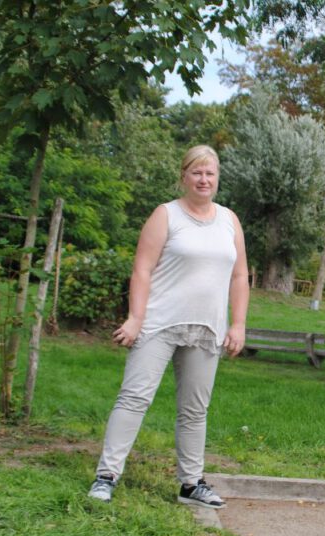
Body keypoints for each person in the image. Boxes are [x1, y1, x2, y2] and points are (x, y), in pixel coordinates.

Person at [87, 145, 249, 508]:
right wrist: (135, 318)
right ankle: (106, 476)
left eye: (210, 173)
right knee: (134, 398)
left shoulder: (229, 221)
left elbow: (240, 276)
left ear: (217, 177)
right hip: (160, 323)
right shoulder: (166, 215)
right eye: (196, 172)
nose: (203, 179)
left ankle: (191, 484)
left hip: (206, 329)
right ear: (184, 177)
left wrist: (237, 324)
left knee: (195, 409)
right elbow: (141, 269)